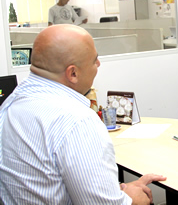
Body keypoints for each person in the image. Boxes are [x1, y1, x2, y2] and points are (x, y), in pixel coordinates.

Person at [0, 25, 166, 204]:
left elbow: (45, 181)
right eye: (94, 60)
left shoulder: (12, 103)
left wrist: (116, 190)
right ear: (73, 73)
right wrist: (133, 199)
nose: (99, 64)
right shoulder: (77, 120)